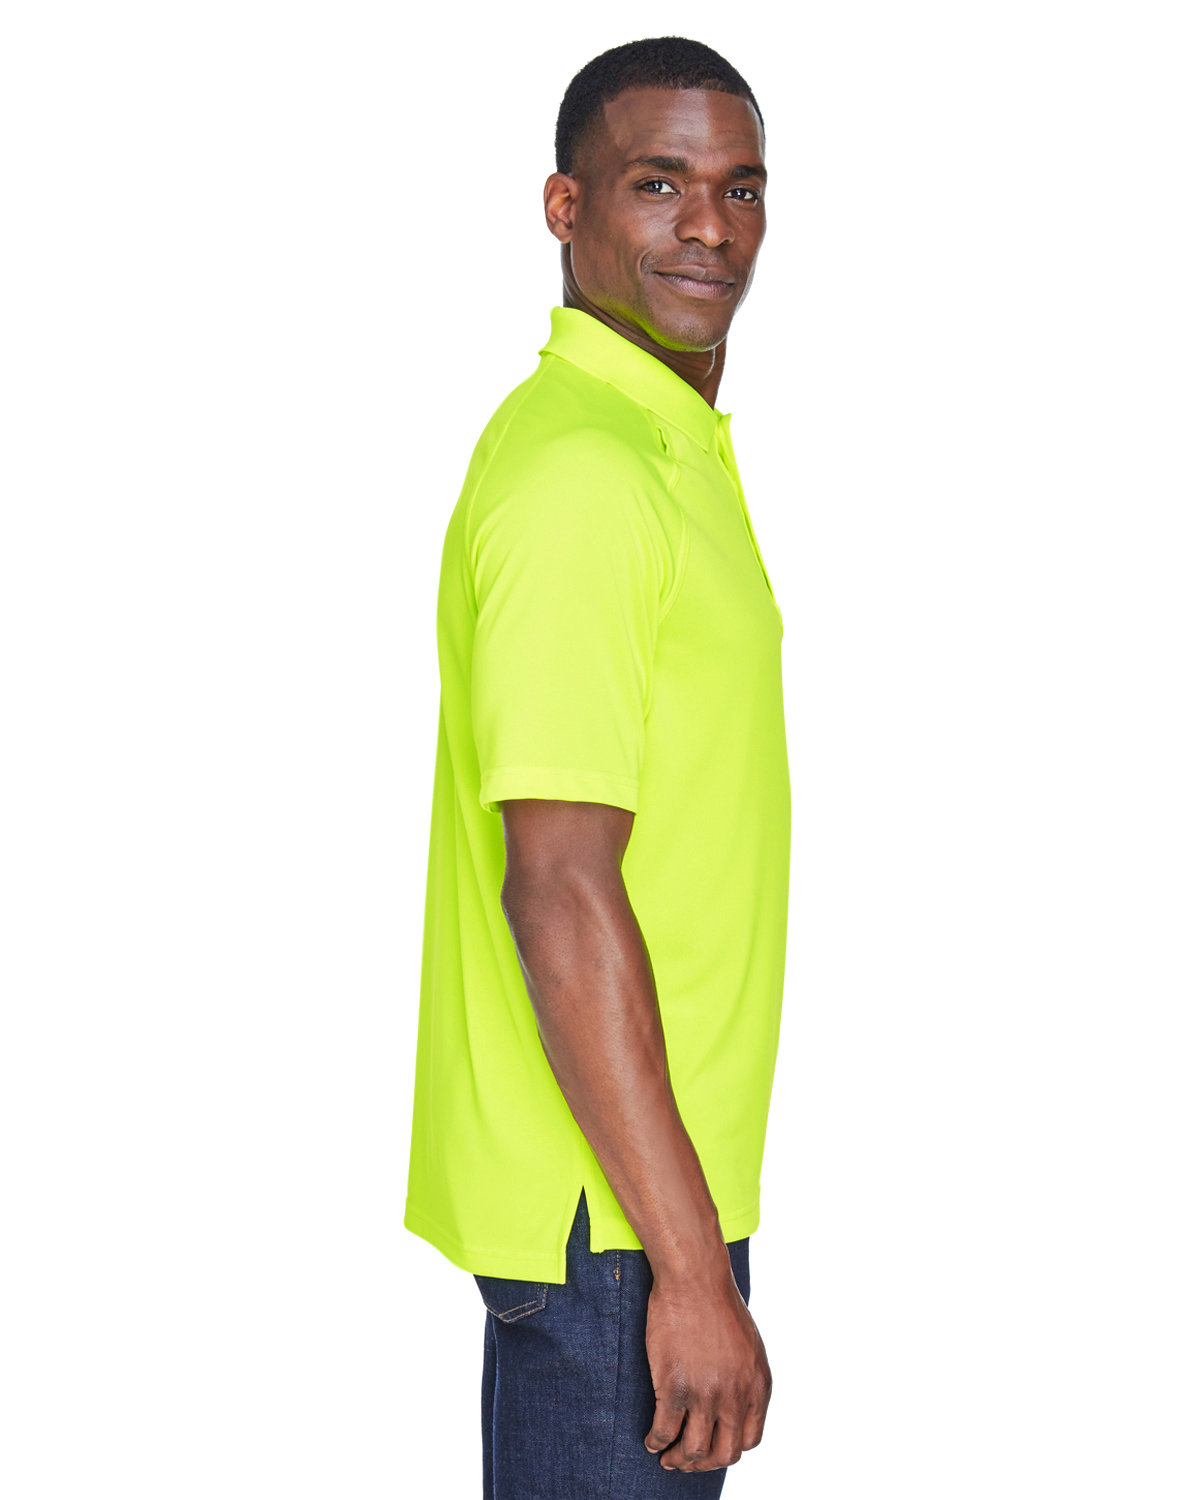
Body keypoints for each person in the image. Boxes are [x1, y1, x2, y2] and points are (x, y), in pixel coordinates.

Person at [404, 35, 790, 1498]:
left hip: (640, 1200)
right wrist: (689, 1270)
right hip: (615, 1226)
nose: (711, 226)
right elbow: (559, 886)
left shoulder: (654, 443)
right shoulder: (586, 476)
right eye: (659, 182)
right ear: (565, 208)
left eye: (740, 186)